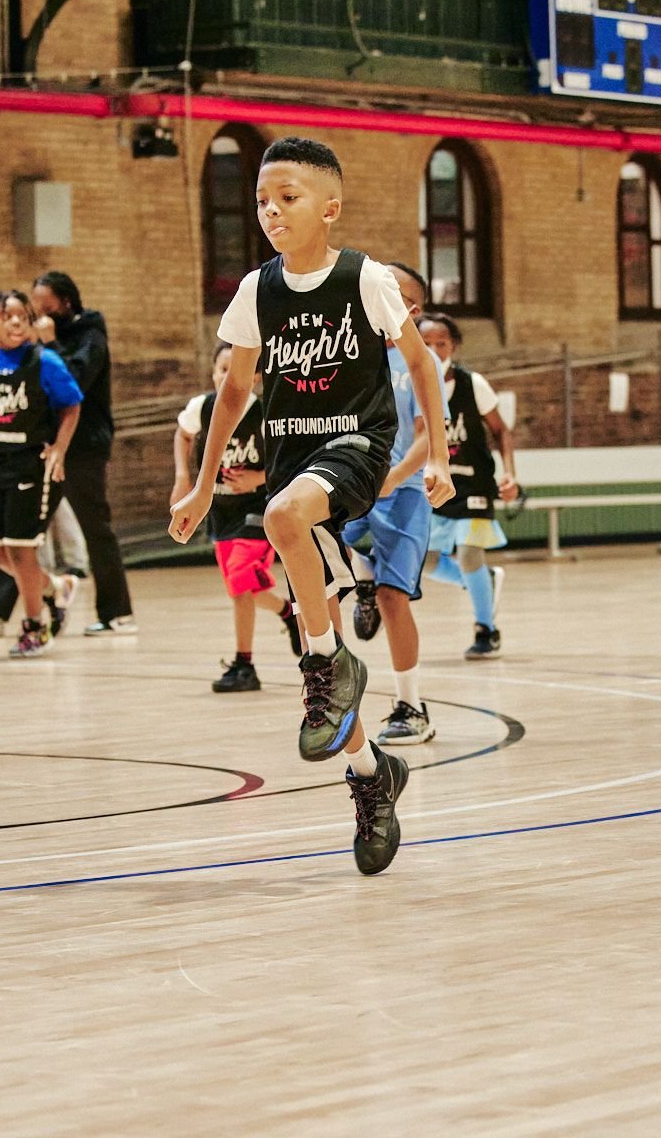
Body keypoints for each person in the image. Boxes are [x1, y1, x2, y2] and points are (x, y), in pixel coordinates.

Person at [170, 137, 453, 877]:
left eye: (287, 196)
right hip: (295, 474)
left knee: (282, 520)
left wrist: (442, 454)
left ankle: (331, 660)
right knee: (315, 668)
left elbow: (420, 364)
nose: (271, 210)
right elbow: (234, 393)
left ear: (329, 207)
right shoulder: (255, 290)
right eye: (262, 199)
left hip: (356, 451)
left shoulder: (364, 280)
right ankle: (371, 776)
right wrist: (201, 487)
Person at [0, 271, 135, 636]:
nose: (35, 314)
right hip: (35, 450)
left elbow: (77, 387)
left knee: (91, 527)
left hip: (81, 446)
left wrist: (51, 344)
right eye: (31, 307)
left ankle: (117, 613)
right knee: (13, 536)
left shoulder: (88, 334)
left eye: (43, 306)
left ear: (65, 303)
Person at [338, 264, 447, 747]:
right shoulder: (346, 356)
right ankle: (361, 575)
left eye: (392, 292)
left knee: (393, 597)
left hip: (400, 495)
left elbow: (428, 440)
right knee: (333, 551)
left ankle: (412, 705)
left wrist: (395, 477)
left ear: (411, 309)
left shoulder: (420, 363)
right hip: (353, 484)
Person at [0, 290, 83, 660]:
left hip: (31, 461)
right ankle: (55, 586)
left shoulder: (45, 362)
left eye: (22, 317)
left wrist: (59, 447)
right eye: (6, 316)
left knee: (21, 550)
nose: (15, 322)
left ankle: (34, 626)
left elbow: (72, 405)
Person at [172, 343, 294, 693]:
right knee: (240, 587)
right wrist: (184, 478)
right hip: (219, 510)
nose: (227, 376)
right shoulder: (203, 407)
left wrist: (258, 478)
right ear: (213, 372)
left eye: (234, 369)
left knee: (241, 577)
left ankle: (244, 663)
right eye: (221, 369)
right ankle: (286, 613)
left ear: (255, 376)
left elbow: (287, 461)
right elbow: (182, 434)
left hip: (257, 508)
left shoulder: (268, 412)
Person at [418, 313, 519, 661]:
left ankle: (485, 630)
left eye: (440, 343)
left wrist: (510, 474)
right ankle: (481, 583)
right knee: (424, 562)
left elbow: (501, 430)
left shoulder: (472, 383)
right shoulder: (408, 385)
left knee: (469, 553)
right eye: (426, 343)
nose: (433, 349)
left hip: (474, 482)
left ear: (453, 346)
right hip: (434, 487)